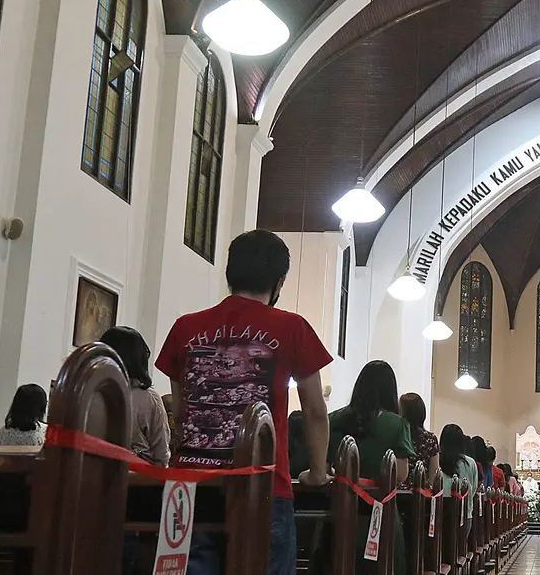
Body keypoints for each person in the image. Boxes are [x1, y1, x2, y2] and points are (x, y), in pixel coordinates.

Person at [156, 229, 332, 575]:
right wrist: (318, 471)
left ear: (229, 273)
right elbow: (314, 410)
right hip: (262, 485)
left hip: (189, 487)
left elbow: (181, 409)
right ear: (279, 282)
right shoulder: (292, 327)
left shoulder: (185, 328)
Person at [327, 360, 414, 574]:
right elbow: (401, 474)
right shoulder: (397, 423)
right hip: (379, 515)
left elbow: (324, 466)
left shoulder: (333, 419)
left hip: (337, 513)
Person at [98, 327, 170, 466]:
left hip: (94, 476)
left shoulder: (89, 392)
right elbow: (161, 455)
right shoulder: (149, 399)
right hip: (137, 479)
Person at [439, 424, 479, 534]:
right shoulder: (470, 463)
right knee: (459, 546)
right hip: (464, 514)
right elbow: (473, 488)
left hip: (439, 513)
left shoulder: (437, 460)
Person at [399, 393, 439, 487]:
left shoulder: (398, 436)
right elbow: (433, 476)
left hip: (396, 493)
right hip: (421, 493)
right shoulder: (430, 439)